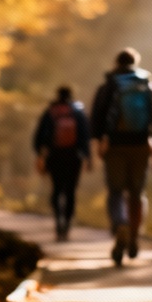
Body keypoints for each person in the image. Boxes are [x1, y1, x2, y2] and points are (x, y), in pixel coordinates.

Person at [90, 47, 152, 266]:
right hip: (142, 146)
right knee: (137, 193)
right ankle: (134, 234)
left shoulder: (108, 86)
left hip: (115, 146)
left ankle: (120, 224)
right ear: (136, 62)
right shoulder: (147, 85)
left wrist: (99, 143)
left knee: (115, 192)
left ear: (116, 63)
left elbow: (96, 119)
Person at [33, 85, 92, 241]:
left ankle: (58, 220)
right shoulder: (78, 112)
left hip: (54, 156)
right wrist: (88, 158)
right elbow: (86, 136)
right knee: (71, 191)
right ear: (71, 95)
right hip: (74, 157)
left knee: (57, 189)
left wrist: (40, 155)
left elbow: (39, 136)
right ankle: (67, 223)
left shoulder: (51, 111)